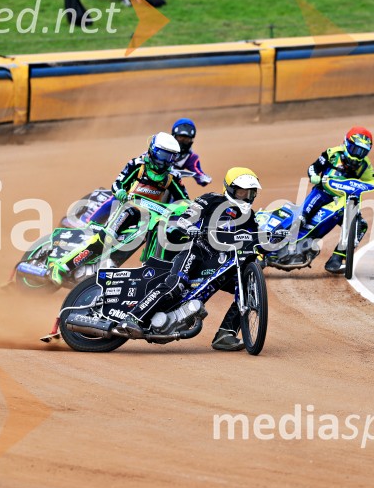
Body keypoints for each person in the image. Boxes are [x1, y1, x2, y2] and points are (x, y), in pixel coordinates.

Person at [119, 167, 264, 351]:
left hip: (224, 263)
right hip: (197, 252)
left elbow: (257, 238)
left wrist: (272, 242)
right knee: (176, 285)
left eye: (250, 193)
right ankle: (133, 317)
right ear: (230, 188)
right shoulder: (211, 199)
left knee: (247, 289)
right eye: (242, 191)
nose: (245, 196)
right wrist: (189, 226)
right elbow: (185, 218)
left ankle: (225, 334)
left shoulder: (249, 216)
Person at [49, 133, 188, 283]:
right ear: (153, 150)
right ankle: (63, 266)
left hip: (151, 217)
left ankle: (149, 276)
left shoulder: (172, 177)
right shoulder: (137, 165)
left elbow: (184, 200)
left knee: (161, 236)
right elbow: (117, 184)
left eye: (171, 157)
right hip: (129, 209)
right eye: (163, 155)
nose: (166, 161)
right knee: (106, 238)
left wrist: (183, 210)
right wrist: (121, 192)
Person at [300, 127, 374, 273]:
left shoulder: (364, 164)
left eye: (362, 152)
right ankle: (278, 244)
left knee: (360, 225)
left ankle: (336, 260)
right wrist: (313, 176)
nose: (357, 155)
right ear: (346, 143)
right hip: (323, 192)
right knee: (302, 218)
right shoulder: (332, 153)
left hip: (344, 201)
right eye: (354, 149)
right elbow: (313, 167)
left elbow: (373, 179)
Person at [170, 118, 212, 187]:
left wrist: (203, 177)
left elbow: (197, 172)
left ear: (191, 140)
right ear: (174, 136)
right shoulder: (163, 147)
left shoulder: (191, 158)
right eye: (180, 137)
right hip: (151, 179)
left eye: (186, 139)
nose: (183, 142)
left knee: (183, 196)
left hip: (171, 185)